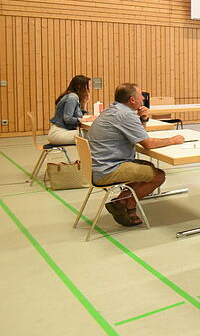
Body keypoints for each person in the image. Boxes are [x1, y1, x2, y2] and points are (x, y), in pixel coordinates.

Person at [86, 83, 184, 226]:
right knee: (158, 176)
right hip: (107, 170)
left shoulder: (113, 110)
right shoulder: (125, 115)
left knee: (147, 166)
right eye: (141, 96)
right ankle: (124, 204)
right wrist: (173, 140)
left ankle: (122, 203)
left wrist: (143, 119)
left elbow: (139, 136)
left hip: (97, 166)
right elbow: (148, 144)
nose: (143, 99)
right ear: (132, 99)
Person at [48, 74, 91, 145]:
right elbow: (68, 119)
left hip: (62, 131)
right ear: (81, 87)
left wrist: (85, 102)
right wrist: (83, 120)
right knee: (94, 135)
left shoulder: (73, 96)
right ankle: (89, 156)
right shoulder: (72, 98)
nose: (89, 89)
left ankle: (88, 155)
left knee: (91, 134)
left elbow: (78, 114)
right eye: (88, 86)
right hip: (58, 134)